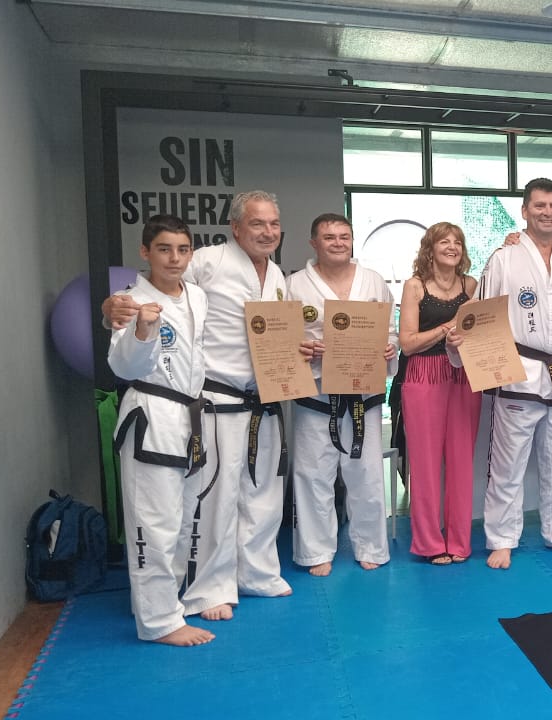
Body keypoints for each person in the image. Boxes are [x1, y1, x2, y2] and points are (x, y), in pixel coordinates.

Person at [105, 189, 291, 620]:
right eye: (257, 223)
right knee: (217, 498)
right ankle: (210, 587)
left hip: (263, 396)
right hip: (217, 397)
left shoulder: (278, 275)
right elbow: (155, 286)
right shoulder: (209, 260)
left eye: (274, 224)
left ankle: (258, 572)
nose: (267, 232)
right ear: (236, 228)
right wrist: (112, 304)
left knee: (264, 492)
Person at [445, 178, 552, 570]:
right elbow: (483, 312)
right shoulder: (504, 259)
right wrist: (463, 346)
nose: (548, 212)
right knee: (508, 464)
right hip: (518, 373)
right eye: (539, 206)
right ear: (525, 211)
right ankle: (501, 539)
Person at [108, 215, 213, 646]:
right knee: (153, 524)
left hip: (188, 416)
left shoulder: (197, 296)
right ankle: (158, 622)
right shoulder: (130, 301)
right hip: (150, 414)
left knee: (183, 519)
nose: (174, 258)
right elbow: (123, 366)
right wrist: (143, 331)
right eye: (164, 249)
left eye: (183, 249)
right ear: (145, 252)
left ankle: (160, 603)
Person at [287, 213, 396, 576]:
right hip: (316, 395)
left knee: (366, 473)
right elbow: (283, 338)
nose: (338, 242)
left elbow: (390, 329)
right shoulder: (294, 285)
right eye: (329, 237)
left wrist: (389, 348)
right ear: (313, 243)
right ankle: (316, 550)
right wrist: (301, 348)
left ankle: (371, 546)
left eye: (344, 236)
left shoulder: (373, 280)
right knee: (312, 473)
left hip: (363, 394)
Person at [398, 222, 481, 564]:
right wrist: (448, 327)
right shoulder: (415, 286)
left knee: (462, 461)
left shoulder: (471, 285)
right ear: (429, 249)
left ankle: (459, 542)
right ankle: (430, 543)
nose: (452, 247)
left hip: (463, 375)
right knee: (426, 463)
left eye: (457, 242)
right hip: (423, 375)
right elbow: (406, 343)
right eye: (444, 241)